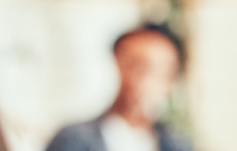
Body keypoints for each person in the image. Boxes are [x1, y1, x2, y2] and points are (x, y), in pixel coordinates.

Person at [45, 24, 193, 151]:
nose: (142, 79)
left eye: (157, 70)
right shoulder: (74, 138)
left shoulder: (176, 144)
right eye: (135, 65)